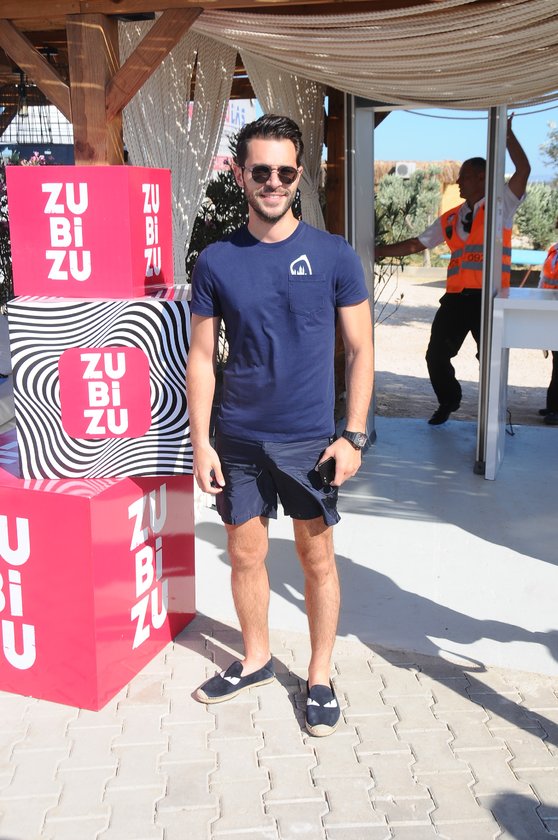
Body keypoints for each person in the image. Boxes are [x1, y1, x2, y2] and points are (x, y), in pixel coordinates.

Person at [186, 114, 373, 736]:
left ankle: (318, 676)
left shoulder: (334, 255)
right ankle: (257, 658)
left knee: (316, 558)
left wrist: (353, 435)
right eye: (261, 170)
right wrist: (201, 442)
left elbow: (361, 350)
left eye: (285, 172)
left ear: (299, 176)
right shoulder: (216, 261)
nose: (273, 182)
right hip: (238, 438)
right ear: (241, 174)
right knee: (245, 555)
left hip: (310, 441)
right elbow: (202, 359)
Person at [375, 115, 530, 425]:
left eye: (465, 176)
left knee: (490, 360)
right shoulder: (450, 217)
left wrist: (507, 136)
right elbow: (416, 244)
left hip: (489, 299)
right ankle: (449, 400)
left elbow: (523, 170)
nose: (459, 182)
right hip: (457, 298)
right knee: (436, 355)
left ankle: (492, 420)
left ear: (483, 178)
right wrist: (376, 252)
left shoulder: (502, 204)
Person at [537, 228, 558, 426]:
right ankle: (552, 405)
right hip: (551, 311)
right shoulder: (554, 250)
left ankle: (555, 409)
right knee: (556, 360)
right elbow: (544, 279)